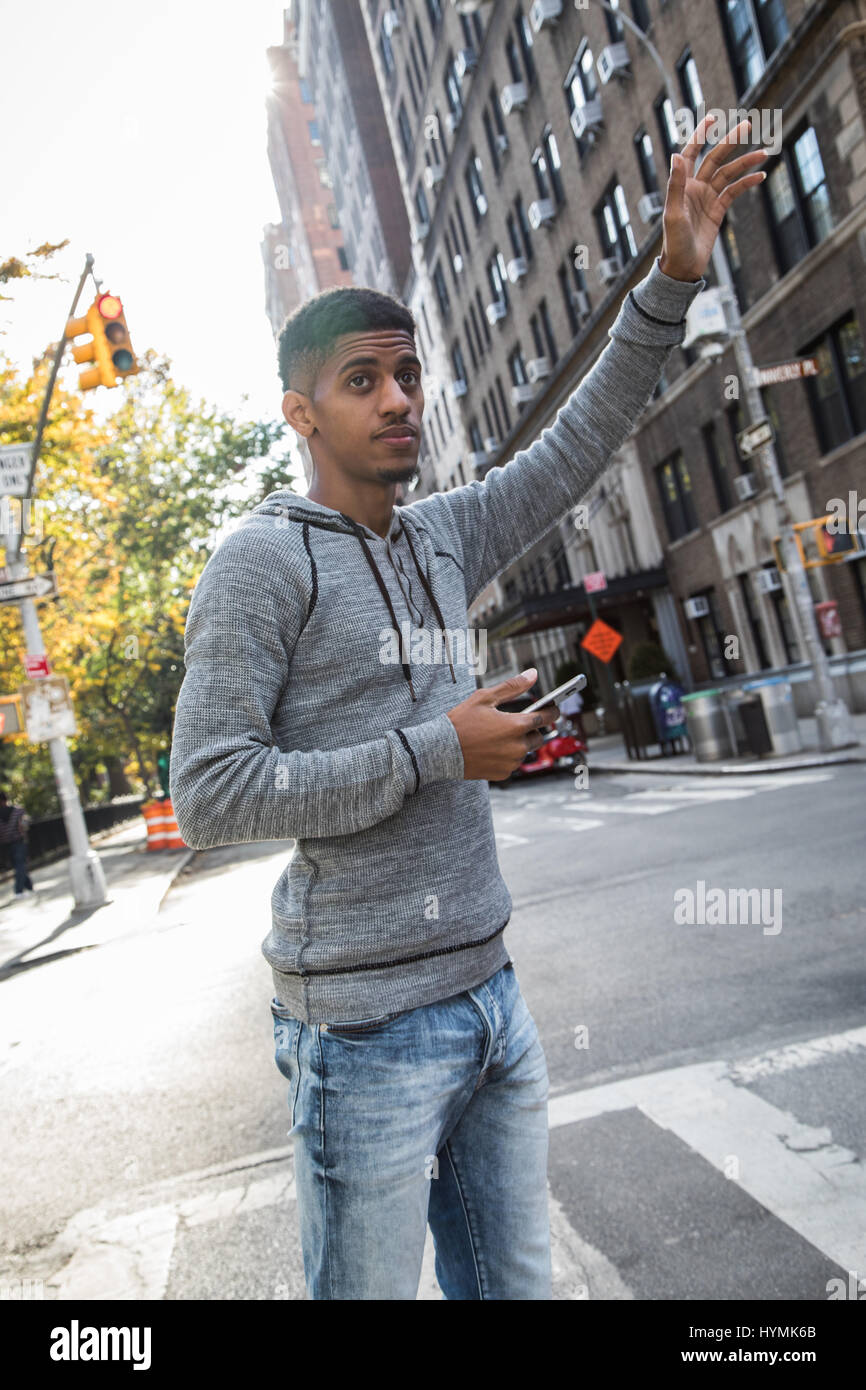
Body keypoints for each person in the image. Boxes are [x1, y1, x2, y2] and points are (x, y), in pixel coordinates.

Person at [169, 116, 768, 1300]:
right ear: (301, 414)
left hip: (490, 999)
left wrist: (672, 277)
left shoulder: (445, 532)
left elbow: (577, 438)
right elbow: (210, 791)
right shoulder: (259, 562)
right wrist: (433, 747)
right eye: (361, 381)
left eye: (405, 374)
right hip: (362, 1034)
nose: (397, 400)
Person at [0, 790, 34, 896]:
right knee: (20, 864)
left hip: (6, 843)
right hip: (19, 841)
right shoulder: (18, 811)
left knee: (18, 865)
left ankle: (24, 888)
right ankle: (23, 889)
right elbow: (26, 823)